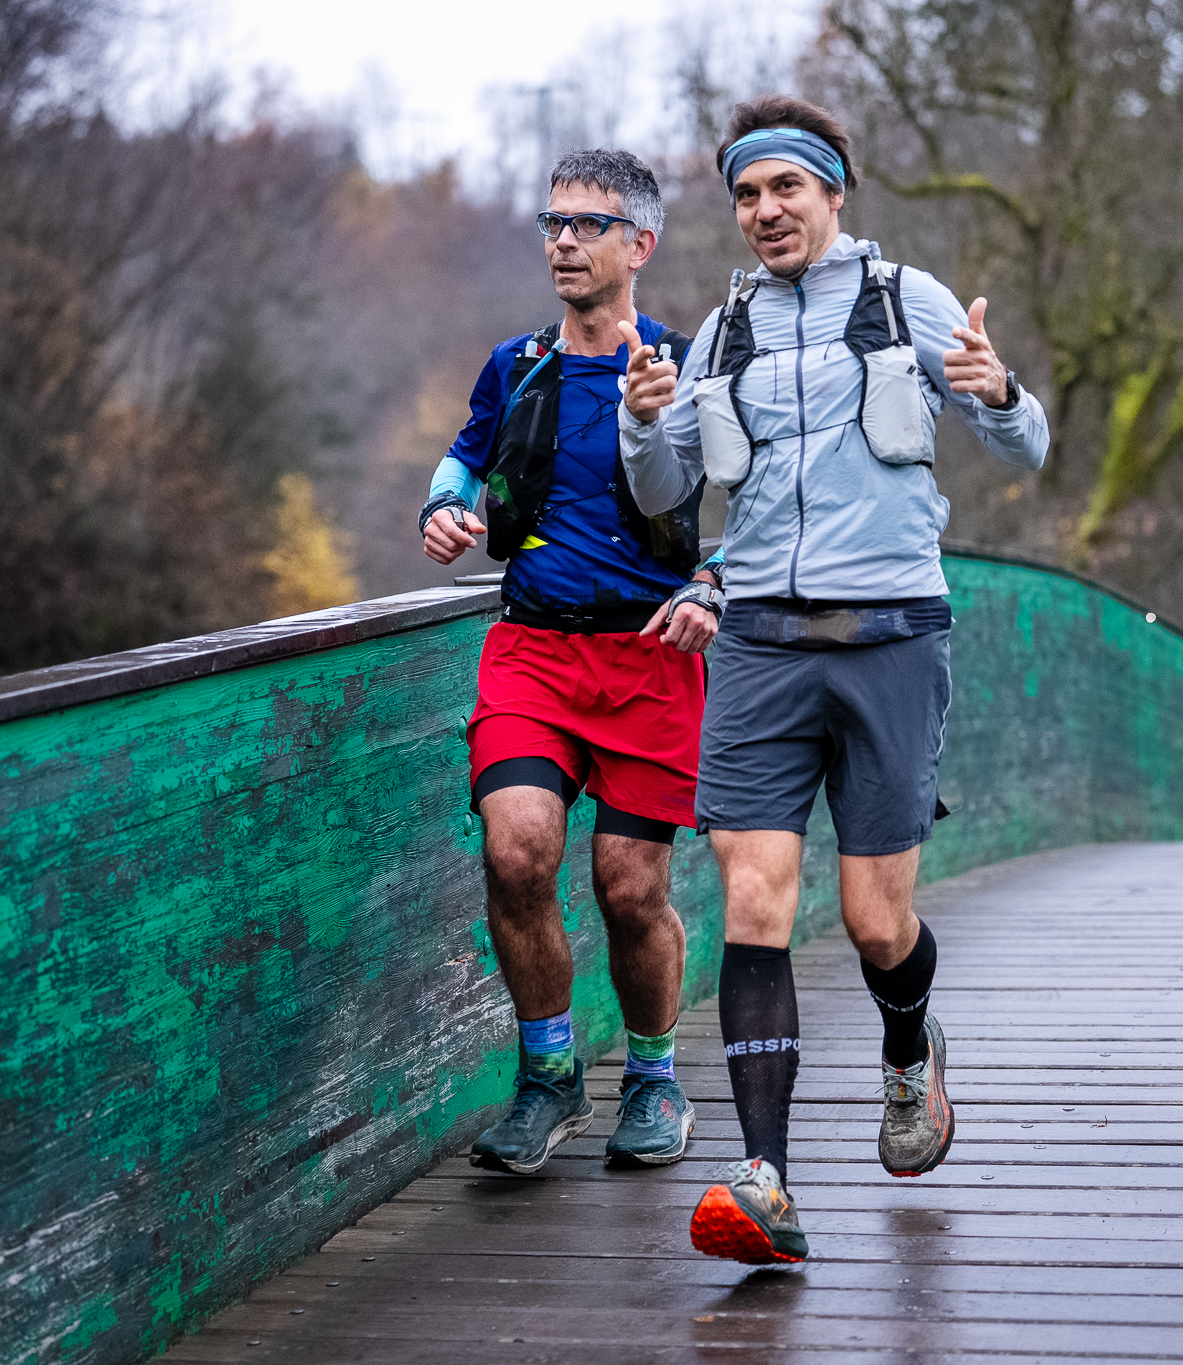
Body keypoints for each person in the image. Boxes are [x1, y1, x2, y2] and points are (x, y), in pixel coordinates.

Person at [617, 95, 1052, 1263]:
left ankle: (909, 1051)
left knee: (872, 919)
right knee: (753, 901)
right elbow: (663, 493)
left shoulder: (903, 301)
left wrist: (997, 391)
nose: (764, 211)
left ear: (831, 194)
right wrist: (642, 422)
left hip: (891, 636)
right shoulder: (720, 333)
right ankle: (764, 1180)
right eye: (746, 195)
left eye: (785, 189)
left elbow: (1026, 447)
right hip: (760, 641)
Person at [419, 149, 727, 1176]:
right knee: (515, 853)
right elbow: (466, 453)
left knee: (629, 888)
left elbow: (768, 496)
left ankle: (652, 1079)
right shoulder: (516, 364)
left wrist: (713, 580)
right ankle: (548, 1078)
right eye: (552, 222)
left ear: (639, 245)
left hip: (649, 655)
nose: (562, 241)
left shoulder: (686, 366)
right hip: (533, 650)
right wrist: (442, 505)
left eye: (587, 225)